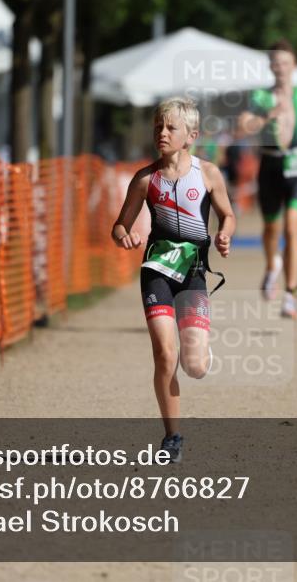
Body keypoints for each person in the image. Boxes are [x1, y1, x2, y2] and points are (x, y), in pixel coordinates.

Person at [112, 97, 235, 463]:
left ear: (191, 136)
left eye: (170, 128)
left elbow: (227, 214)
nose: (162, 134)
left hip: (194, 272)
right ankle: (172, 437)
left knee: (193, 365)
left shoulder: (208, 173)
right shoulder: (145, 179)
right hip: (157, 271)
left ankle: (200, 354)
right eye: (157, 128)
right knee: (165, 355)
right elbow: (119, 226)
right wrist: (126, 237)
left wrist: (225, 233)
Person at [237, 39, 297, 318]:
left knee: (292, 228)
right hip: (270, 167)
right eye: (275, 63)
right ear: (270, 66)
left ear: (294, 65)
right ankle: (270, 266)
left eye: (286, 62)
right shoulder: (262, 97)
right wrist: (267, 117)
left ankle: (291, 293)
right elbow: (242, 126)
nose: (281, 68)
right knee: (271, 230)